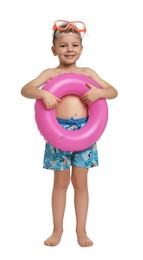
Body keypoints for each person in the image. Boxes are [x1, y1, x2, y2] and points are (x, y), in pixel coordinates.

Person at [21, 20, 118, 247]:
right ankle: (57, 230)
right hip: (57, 133)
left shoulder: (87, 73)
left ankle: (81, 231)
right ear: (54, 50)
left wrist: (99, 93)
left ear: (81, 49)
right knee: (61, 183)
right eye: (63, 45)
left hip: (85, 132)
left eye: (75, 45)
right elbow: (25, 89)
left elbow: (113, 92)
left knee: (81, 183)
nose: (70, 49)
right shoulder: (50, 74)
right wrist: (42, 94)